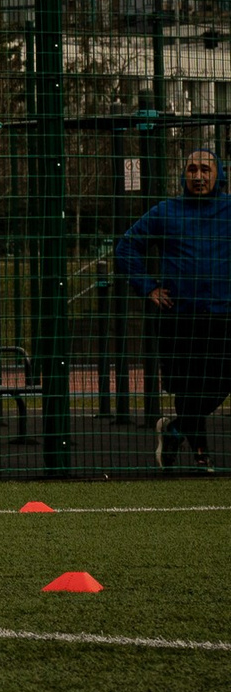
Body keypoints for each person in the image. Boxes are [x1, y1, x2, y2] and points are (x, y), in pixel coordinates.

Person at [115, 147, 228, 472]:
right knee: (187, 386)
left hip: (223, 316)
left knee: (219, 382)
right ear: (183, 174)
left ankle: (175, 429)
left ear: (217, 174)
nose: (198, 176)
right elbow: (126, 247)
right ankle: (200, 456)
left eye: (205, 170)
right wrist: (147, 286)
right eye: (192, 169)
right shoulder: (167, 211)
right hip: (180, 318)